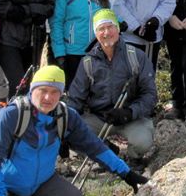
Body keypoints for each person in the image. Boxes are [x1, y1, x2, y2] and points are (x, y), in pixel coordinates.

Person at [0, 65, 147, 196]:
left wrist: (125, 172)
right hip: (8, 185)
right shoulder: (12, 115)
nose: (47, 97)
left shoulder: (65, 116)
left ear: (61, 94)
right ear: (32, 89)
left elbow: (94, 146)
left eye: (54, 92)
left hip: (42, 182)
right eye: (42, 90)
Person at [67, 9, 158, 162]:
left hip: (130, 117)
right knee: (70, 131)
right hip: (100, 117)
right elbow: (75, 99)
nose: (106, 32)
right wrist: (65, 125)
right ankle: (106, 151)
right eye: (101, 29)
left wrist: (129, 112)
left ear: (118, 29)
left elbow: (150, 95)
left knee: (143, 142)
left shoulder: (136, 56)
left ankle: (132, 158)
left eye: (110, 27)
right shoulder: (88, 62)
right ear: (96, 33)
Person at [50, 0, 110, 86]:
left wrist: (119, 22)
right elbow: (56, 21)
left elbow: (106, 14)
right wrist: (59, 52)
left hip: (97, 49)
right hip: (72, 51)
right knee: (73, 94)